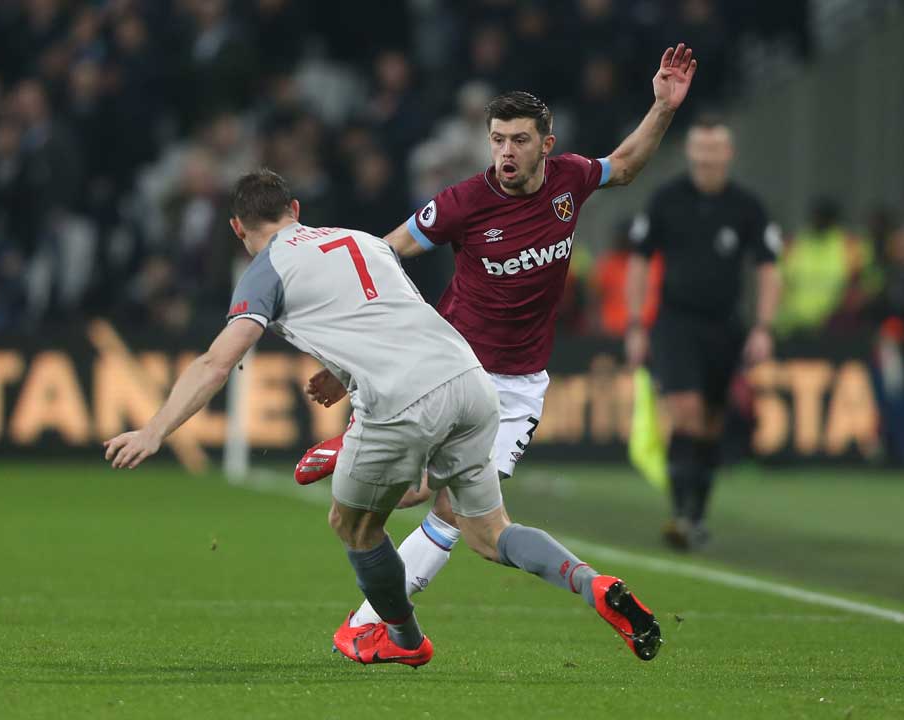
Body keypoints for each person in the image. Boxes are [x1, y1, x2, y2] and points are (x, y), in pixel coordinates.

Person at [104, 170, 662, 667]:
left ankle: (402, 636)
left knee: (353, 525)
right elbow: (386, 322)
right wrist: (343, 371)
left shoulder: (264, 270)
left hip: (401, 404)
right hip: (469, 380)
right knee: (491, 534)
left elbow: (216, 362)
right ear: (296, 210)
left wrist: (155, 429)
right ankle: (593, 583)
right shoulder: (363, 241)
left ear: (236, 228)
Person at [298, 45, 697, 628]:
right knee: (421, 496)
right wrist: (349, 352)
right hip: (449, 369)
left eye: (519, 140)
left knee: (463, 520)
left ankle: (371, 620)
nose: (506, 152)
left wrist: (662, 107)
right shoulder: (464, 202)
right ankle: (369, 616)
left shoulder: (571, 181)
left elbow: (627, 164)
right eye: (498, 140)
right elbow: (386, 252)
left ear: (546, 145)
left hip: (517, 388)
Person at [626, 116, 780, 550]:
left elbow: (769, 268)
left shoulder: (747, 206)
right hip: (675, 323)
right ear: (691, 153)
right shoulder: (666, 200)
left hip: (725, 327)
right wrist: (636, 324)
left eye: (715, 150)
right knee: (687, 410)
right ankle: (680, 515)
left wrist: (763, 327)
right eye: (700, 150)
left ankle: (696, 515)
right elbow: (639, 261)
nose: (707, 159)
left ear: (727, 153)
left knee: (712, 423)